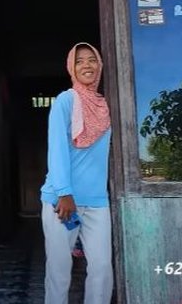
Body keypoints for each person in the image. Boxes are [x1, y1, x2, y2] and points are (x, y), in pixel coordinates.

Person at [40, 42, 113, 304]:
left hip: (96, 202)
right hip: (62, 201)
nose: (87, 65)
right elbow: (56, 148)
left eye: (92, 60)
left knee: (102, 269)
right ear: (71, 67)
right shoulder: (66, 101)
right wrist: (64, 193)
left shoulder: (105, 106)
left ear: (100, 65)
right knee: (59, 273)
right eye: (80, 61)